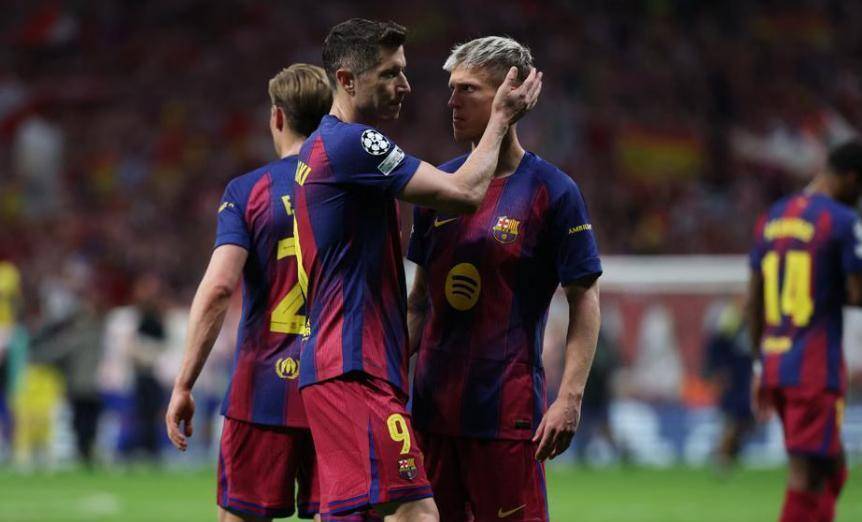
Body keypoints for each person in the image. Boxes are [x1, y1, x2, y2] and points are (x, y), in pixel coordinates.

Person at [292, 19, 541, 522]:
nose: (405, 85)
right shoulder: (354, 144)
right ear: (346, 81)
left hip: (341, 364)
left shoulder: (321, 147)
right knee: (418, 513)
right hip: (354, 367)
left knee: (351, 515)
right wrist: (500, 118)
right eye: (389, 74)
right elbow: (466, 193)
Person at [405, 36, 601, 521]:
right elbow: (418, 303)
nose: (451, 102)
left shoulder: (553, 191)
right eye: (451, 89)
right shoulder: (437, 187)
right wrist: (382, 379)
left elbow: (584, 297)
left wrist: (570, 397)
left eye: (467, 89)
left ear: (509, 96)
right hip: (430, 415)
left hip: (506, 417)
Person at [165, 64, 366, 521]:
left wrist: (184, 384)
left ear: (277, 117)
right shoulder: (357, 189)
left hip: (261, 392)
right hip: (337, 385)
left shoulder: (249, 190)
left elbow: (219, 287)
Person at [747, 141, 862, 522]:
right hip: (813, 368)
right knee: (806, 477)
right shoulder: (840, 220)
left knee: (832, 469)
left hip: (777, 362)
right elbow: (858, 293)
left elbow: (754, 299)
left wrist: (758, 364)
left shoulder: (773, 216)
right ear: (851, 178)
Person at [702, 300, 754, 473]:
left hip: (748, 380)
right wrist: (717, 370)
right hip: (734, 380)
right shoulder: (732, 322)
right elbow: (715, 346)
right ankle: (722, 456)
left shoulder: (758, 324)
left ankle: (728, 453)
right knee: (734, 419)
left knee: (746, 422)